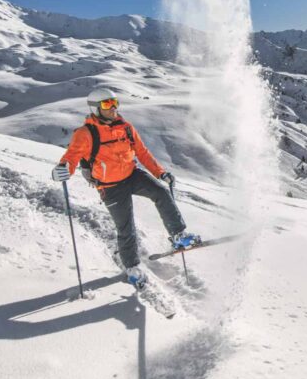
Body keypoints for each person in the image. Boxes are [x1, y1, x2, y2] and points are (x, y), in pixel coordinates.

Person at [51, 87, 199, 288]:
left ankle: (178, 235)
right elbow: (71, 157)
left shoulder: (126, 127)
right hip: (110, 186)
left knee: (160, 192)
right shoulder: (85, 133)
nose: (113, 108)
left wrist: (160, 173)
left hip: (132, 175)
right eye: (107, 104)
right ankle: (132, 268)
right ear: (96, 108)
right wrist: (62, 171)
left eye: (115, 103)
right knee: (126, 227)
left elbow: (143, 153)